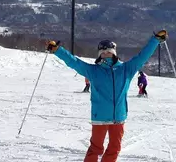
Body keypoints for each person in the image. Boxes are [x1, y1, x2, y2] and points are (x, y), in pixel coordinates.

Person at [46, 30, 167, 162]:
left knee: (114, 148)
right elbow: (74, 62)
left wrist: (155, 40)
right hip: (100, 116)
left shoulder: (126, 69)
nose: (106, 54)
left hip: (119, 117)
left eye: (108, 51)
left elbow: (142, 56)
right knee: (95, 148)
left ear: (114, 52)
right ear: (99, 55)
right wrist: (58, 50)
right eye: (103, 52)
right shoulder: (93, 70)